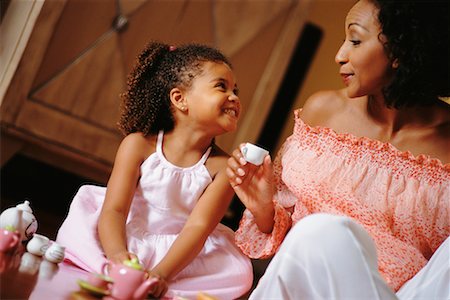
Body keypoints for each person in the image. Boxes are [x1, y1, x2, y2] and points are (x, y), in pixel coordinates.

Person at [227, 0, 449, 299]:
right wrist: (263, 208)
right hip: (307, 284)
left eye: (355, 40)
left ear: (400, 50)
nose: (339, 55)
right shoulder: (324, 113)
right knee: (319, 233)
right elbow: (287, 250)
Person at [56, 41, 253, 299]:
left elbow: (198, 228)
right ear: (180, 99)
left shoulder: (223, 168)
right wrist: (117, 255)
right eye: (221, 86)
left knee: (238, 273)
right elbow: (115, 209)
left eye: (235, 90)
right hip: (126, 231)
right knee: (84, 234)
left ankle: (158, 285)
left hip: (180, 250)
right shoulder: (138, 145)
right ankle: (112, 270)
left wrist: (162, 274)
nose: (234, 97)